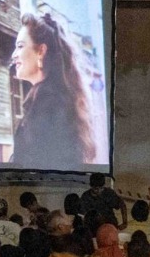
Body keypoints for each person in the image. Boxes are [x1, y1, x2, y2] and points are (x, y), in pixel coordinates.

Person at [9, 12, 96, 169]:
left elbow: (38, 167)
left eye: (20, 46)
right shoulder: (50, 98)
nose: (14, 55)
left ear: (41, 51)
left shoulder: (50, 104)